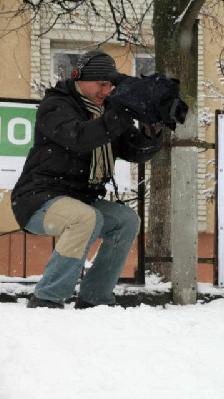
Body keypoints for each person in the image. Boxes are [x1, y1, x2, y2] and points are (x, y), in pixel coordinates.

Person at [11, 50, 163, 309]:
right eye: (101, 84)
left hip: (81, 200)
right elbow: (80, 138)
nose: (106, 90)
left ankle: (95, 298)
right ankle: (47, 298)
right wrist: (121, 114)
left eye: (110, 85)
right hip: (38, 199)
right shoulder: (56, 106)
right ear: (80, 78)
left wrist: (152, 124)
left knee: (126, 221)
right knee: (84, 217)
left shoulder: (109, 113)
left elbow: (135, 151)